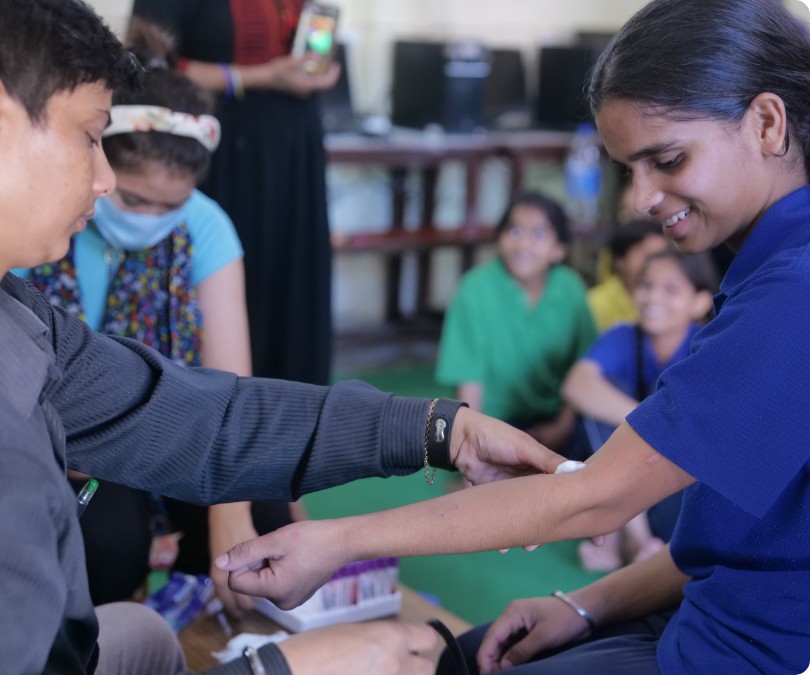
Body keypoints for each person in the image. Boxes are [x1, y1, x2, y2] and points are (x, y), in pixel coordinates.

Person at [215, 0, 810, 673]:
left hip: (728, 653)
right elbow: (720, 552)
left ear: (767, 123)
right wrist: (582, 606)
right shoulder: (762, 266)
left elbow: (596, 498)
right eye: (629, 169)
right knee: (457, 655)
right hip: (693, 612)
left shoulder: (794, 290)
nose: (640, 198)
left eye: (667, 160)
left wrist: (339, 539)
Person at [0, 2, 565, 673]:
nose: (104, 177)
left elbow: (202, 415)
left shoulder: (23, 319)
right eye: (90, 136)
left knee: (146, 634)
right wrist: (286, 667)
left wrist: (439, 429)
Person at [15, 18, 300, 616]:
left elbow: (230, 390)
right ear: (98, 165)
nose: (148, 219)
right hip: (69, 448)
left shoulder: (205, 227)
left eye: (169, 206)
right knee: (106, 535)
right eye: (133, 199)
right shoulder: (45, 220)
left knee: (265, 515)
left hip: (169, 429)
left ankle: (198, 615)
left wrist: (230, 512)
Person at [131, 0, 340, 386]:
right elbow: (147, 64)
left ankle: (297, 406)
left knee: (293, 281)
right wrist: (261, 76)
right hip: (222, 150)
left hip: (294, 147)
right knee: (236, 277)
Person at [563, 249, 717, 571]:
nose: (654, 297)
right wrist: (646, 421)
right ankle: (635, 539)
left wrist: (649, 423)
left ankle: (617, 533)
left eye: (671, 289)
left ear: (701, 302)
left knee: (656, 401)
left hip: (677, 483)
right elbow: (577, 385)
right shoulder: (624, 336)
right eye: (647, 285)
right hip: (624, 478)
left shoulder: (707, 348)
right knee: (605, 394)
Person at [435, 191, 597, 452]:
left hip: (557, 418)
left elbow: (586, 365)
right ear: (499, 239)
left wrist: (562, 426)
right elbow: (468, 381)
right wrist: (476, 443)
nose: (523, 244)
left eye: (538, 234)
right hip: (494, 423)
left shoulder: (570, 288)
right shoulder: (473, 290)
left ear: (559, 250)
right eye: (514, 231)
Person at [586, 219, 669, 332]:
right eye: (648, 256)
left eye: (662, 256)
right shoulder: (594, 305)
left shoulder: (676, 301)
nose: (655, 264)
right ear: (619, 260)